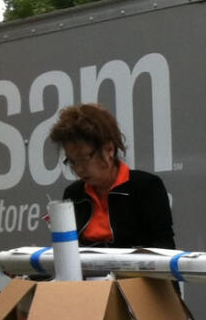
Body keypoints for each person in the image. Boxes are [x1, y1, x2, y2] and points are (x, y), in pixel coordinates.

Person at [50, 103, 175, 249]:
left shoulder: (147, 187)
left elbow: (165, 246)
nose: (78, 168)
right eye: (72, 161)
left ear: (109, 149)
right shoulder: (73, 194)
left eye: (84, 158)